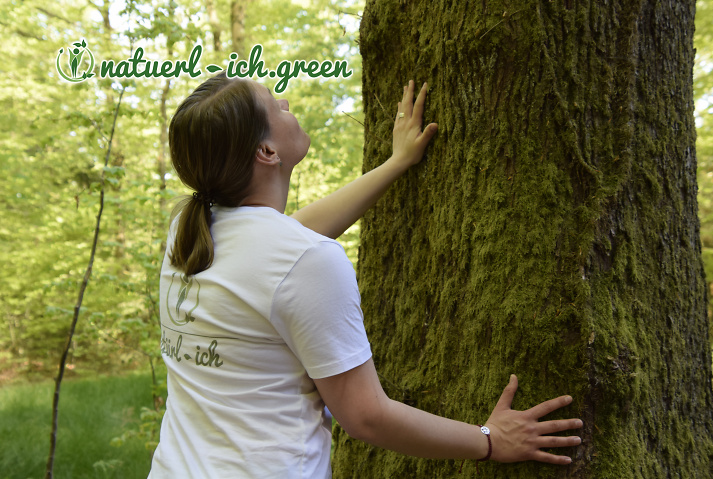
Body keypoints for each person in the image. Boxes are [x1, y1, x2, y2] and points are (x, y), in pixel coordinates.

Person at [148, 72, 583, 478]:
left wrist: (396, 164)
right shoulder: (303, 260)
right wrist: (489, 441)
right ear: (266, 152)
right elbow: (366, 415)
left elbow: (290, 240)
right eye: (274, 105)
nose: (284, 100)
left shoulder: (189, 234)